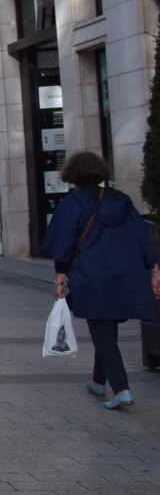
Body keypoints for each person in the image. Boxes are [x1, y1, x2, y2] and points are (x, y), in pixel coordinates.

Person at [43, 151, 160, 410]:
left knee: (101, 329)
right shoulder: (123, 200)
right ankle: (98, 381)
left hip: (92, 274)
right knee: (107, 326)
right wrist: (154, 270)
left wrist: (59, 280)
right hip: (125, 273)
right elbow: (142, 236)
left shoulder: (72, 203)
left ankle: (121, 390)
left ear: (71, 174)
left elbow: (64, 242)